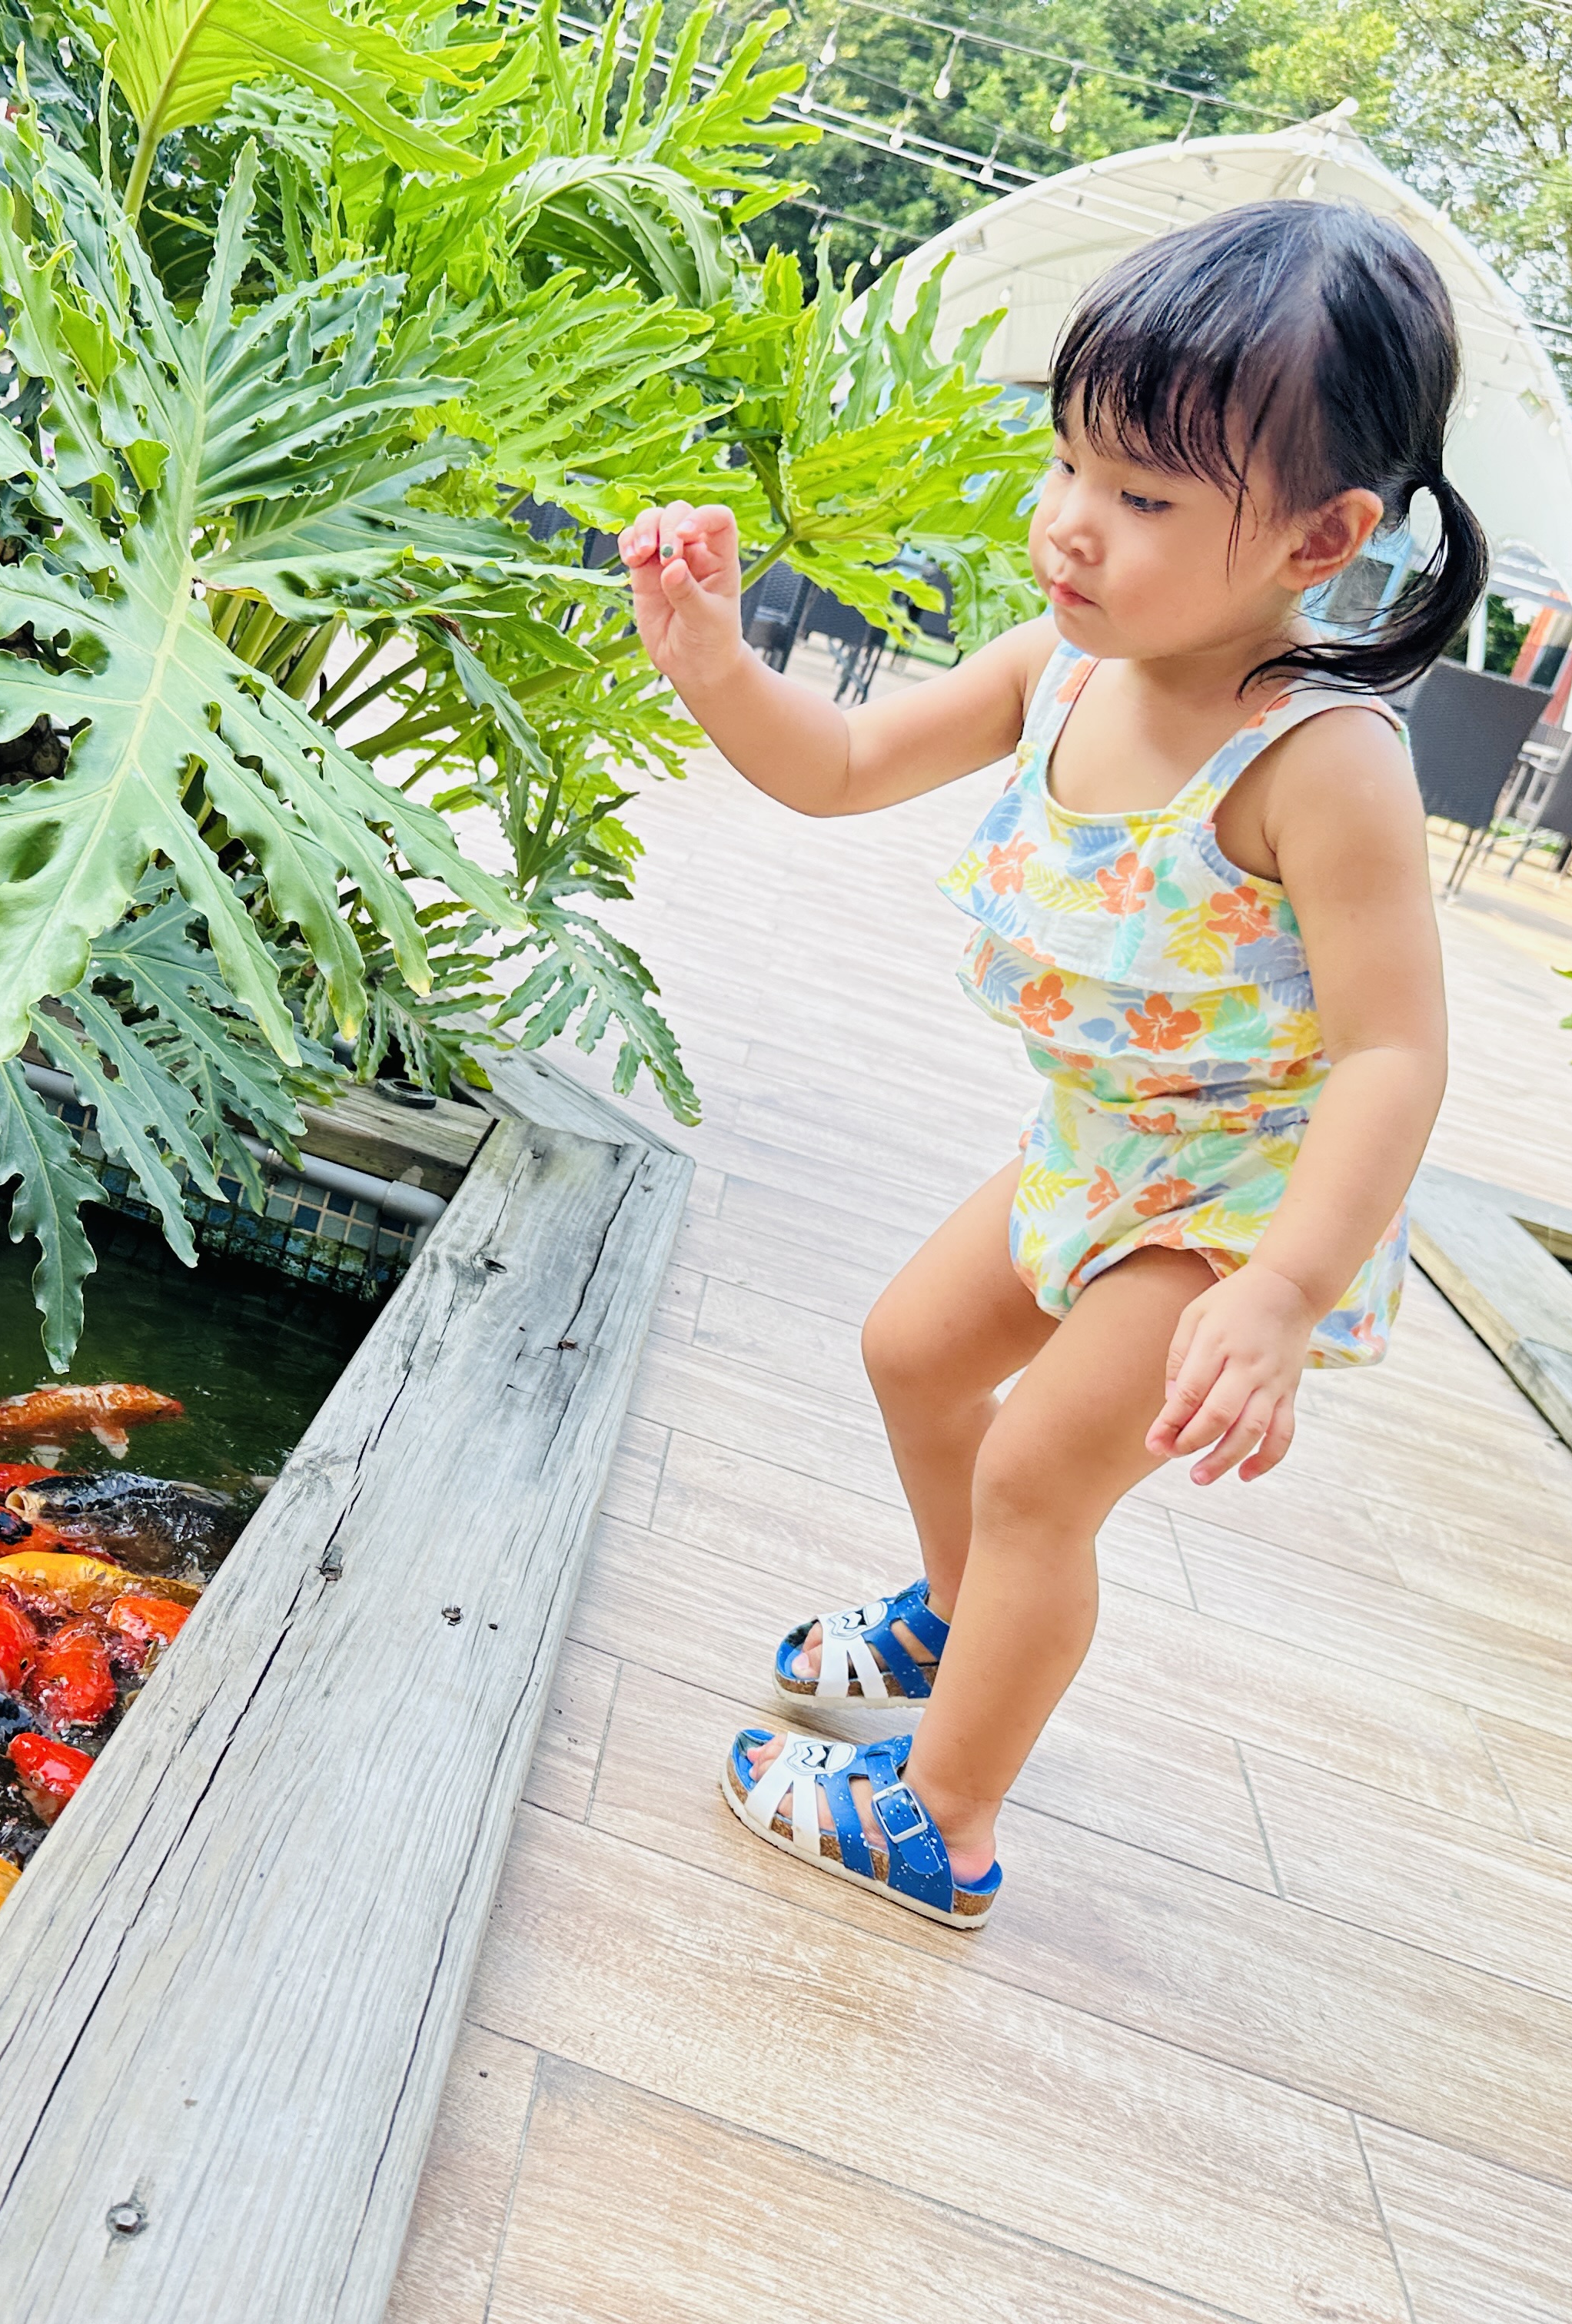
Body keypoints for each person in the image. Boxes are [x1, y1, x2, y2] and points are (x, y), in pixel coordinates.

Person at [625, 201, 1478, 1930]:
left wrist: (1285, 1294)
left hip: (1244, 1208)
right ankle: (963, 1617)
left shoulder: (1318, 762)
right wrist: (719, 666)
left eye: (1148, 499)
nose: (1075, 527)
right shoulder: (1061, 669)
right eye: (1072, 463)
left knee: (1040, 1477)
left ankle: (944, 1815)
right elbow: (846, 760)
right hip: (1103, 1145)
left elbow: (1398, 1050)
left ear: (1324, 536)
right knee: (914, 1357)